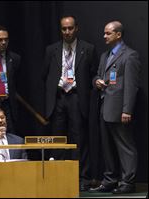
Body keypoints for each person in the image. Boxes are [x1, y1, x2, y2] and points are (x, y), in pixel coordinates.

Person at [43, 15, 98, 191]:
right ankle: (57, 176)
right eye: (64, 29)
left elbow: (93, 73)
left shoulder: (88, 49)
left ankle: (82, 178)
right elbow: (45, 75)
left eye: (70, 28)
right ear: (60, 30)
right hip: (58, 98)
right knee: (58, 139)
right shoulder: (51, 50)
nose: (67, 32)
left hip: (77, 97)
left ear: (76, 28)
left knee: (79, 139)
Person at [89, 21, 140, 194]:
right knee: (107, 146)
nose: (104, 36)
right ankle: (110, 180)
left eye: (108, 33)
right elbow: (98, 74)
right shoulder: (105, 55)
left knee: (125, 146)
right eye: (104, 33)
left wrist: (127, 110)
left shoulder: (130, 56)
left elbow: (132, 85)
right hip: (104, 107)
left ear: (118, 35)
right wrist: (96, 81)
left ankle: (127, 182)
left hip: (119, 109)